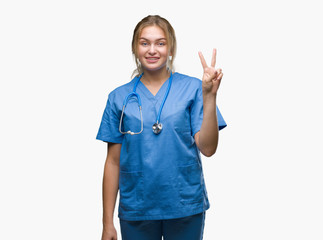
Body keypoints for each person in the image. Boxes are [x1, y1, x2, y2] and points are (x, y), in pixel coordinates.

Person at [96, 15, 227, 240]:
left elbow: (208, 149)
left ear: (171, 48)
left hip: (184, 204)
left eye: (160, 43)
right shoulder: (118, 97)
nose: (152, 50)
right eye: (144, 42)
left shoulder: (194, 88)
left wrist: (209, 97)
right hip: (137, 207)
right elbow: (113, 162)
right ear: (135, 48)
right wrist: (107, 222)